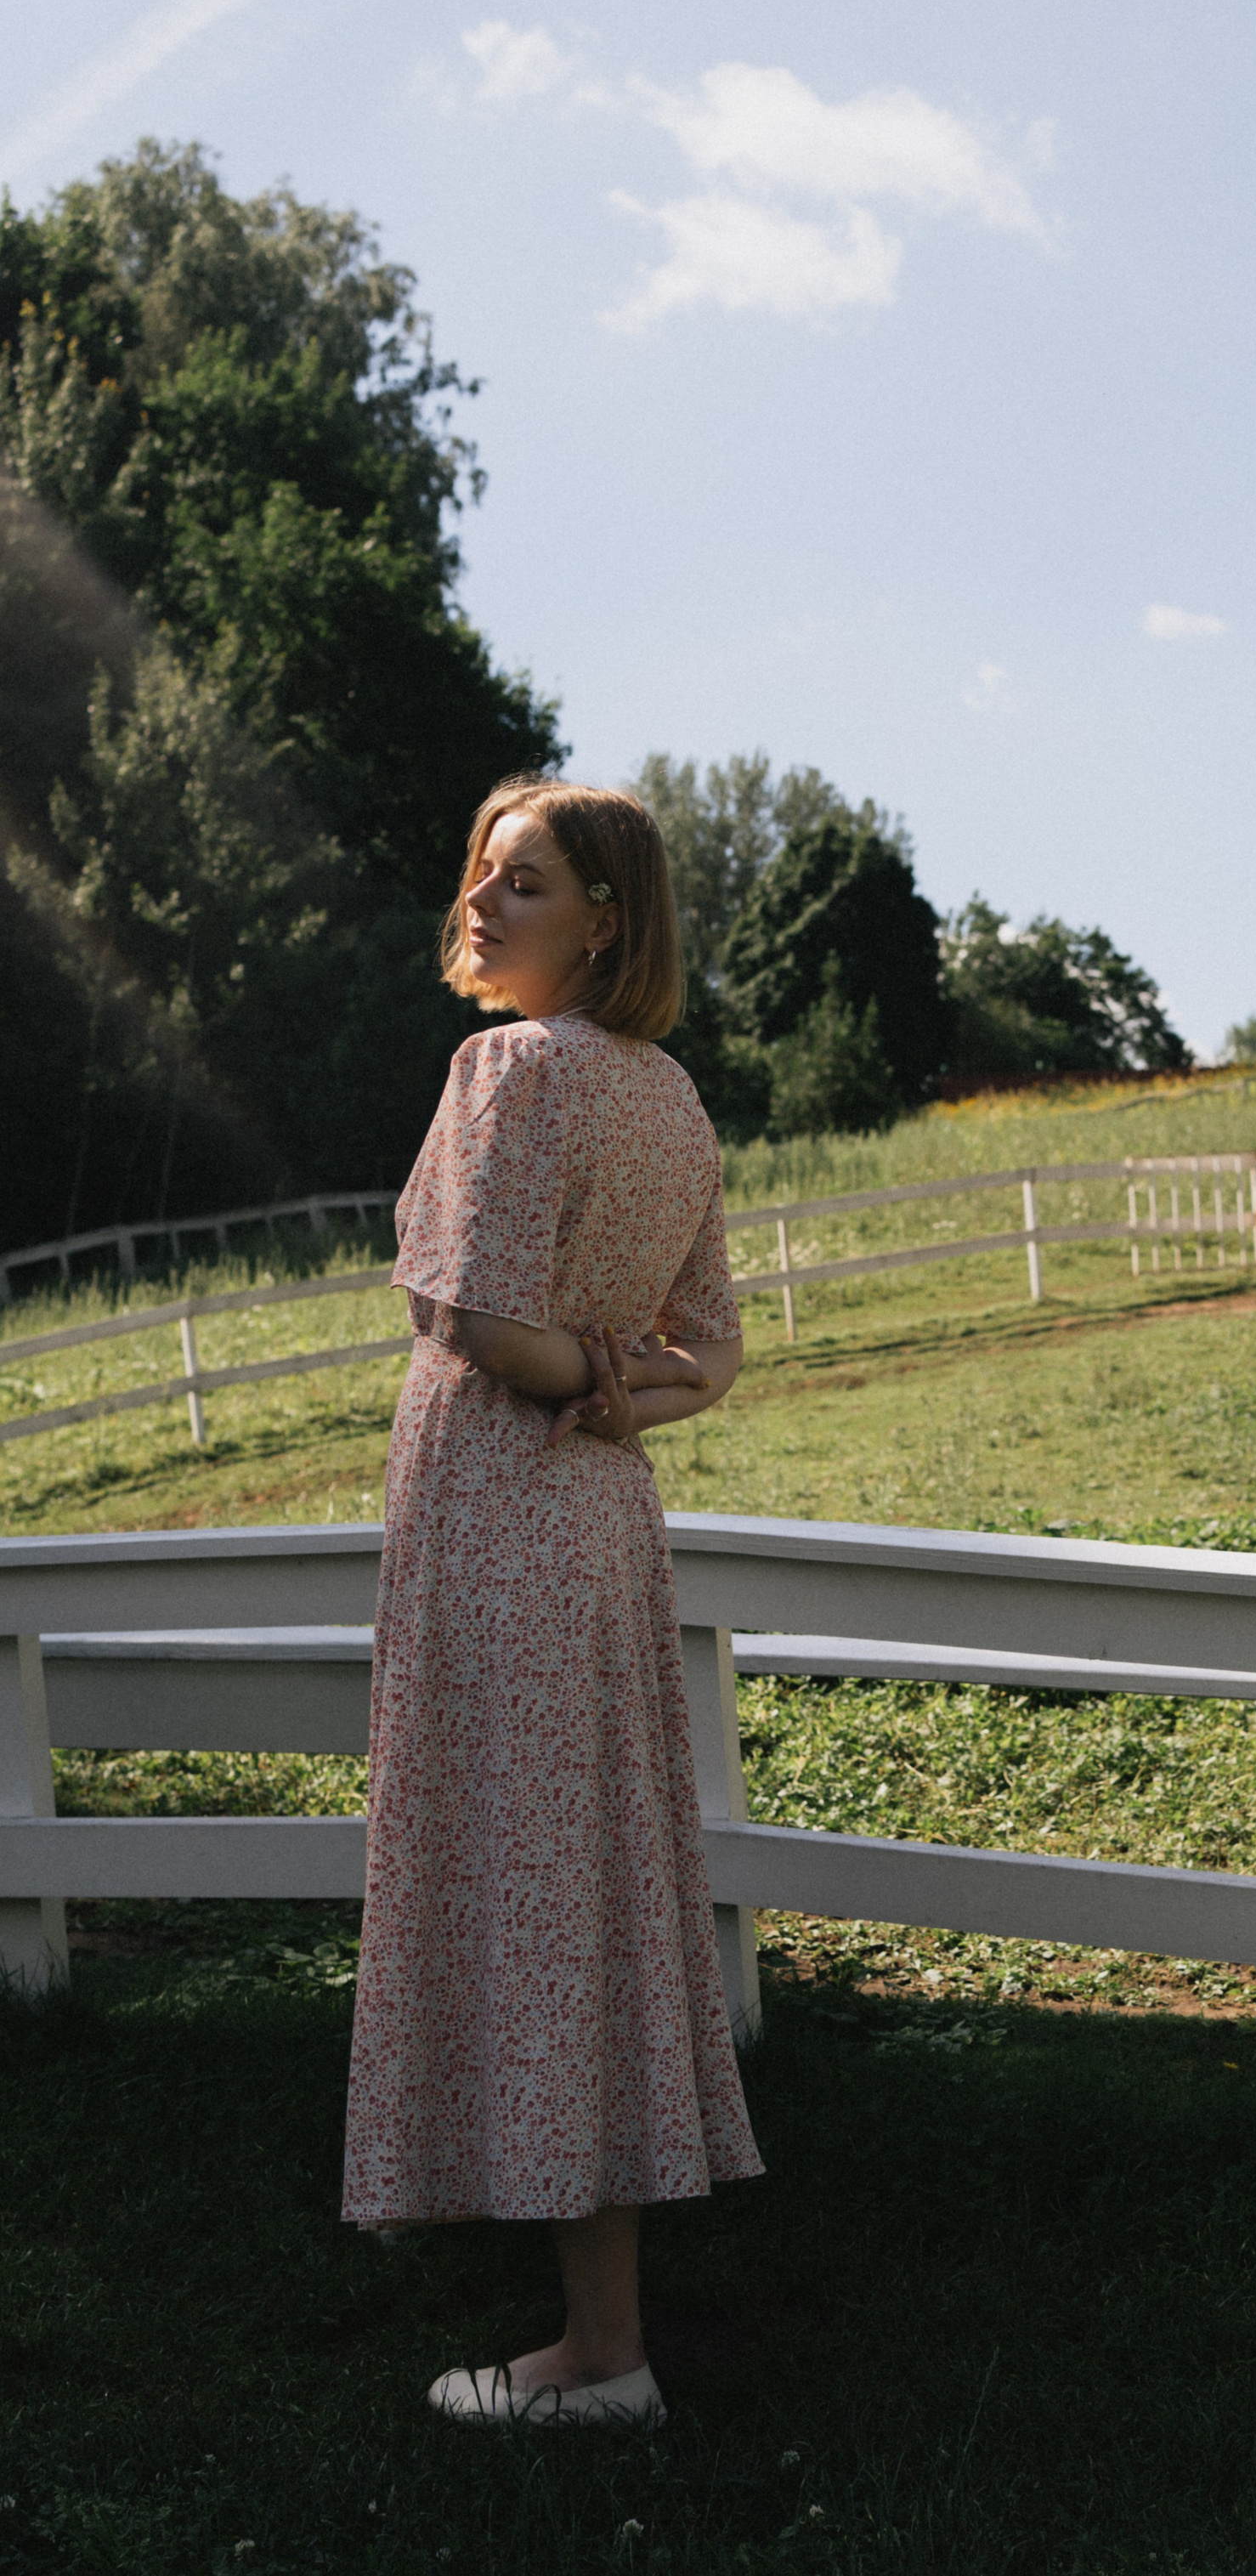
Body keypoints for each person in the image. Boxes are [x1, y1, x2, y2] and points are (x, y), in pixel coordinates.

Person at [341, 775, 761, 2427]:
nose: (483, 904)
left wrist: (569, 1369)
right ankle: (603, 2334)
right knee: (586, 1892)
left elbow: (461, 1315)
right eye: (479, 875)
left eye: (522, 882)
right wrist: (618, 1394)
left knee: (519, 1879)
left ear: (606, 916)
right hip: (596, 1518)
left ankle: (596, 2355)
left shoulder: (505, 1066)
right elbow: (712, 1355)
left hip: (494, 1515)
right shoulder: (675, 1102)